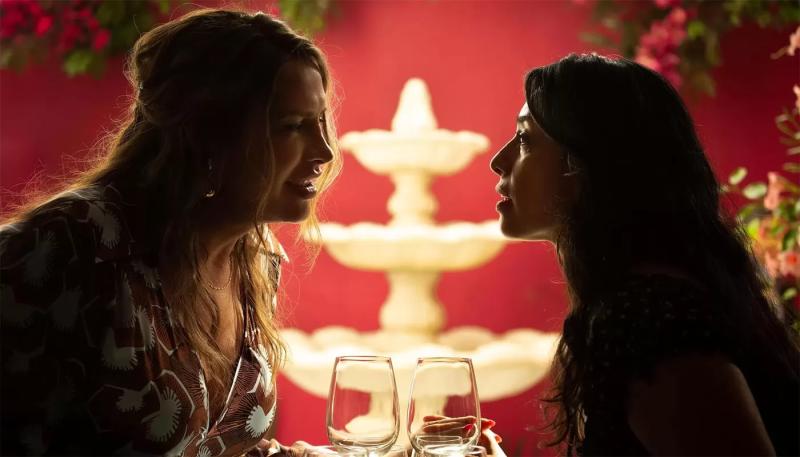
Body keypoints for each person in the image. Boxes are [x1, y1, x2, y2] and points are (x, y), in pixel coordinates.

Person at [0, 9, 339, 456]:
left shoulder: (257, 258)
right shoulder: (75, 244)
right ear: (210, 133)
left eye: (320, 122)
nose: (324, 151)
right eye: (293, 126)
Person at [490, 53, 800, 456]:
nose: (498, 162)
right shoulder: (648, 300)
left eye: (525, 139)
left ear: (585, 162)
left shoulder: (647, 323)